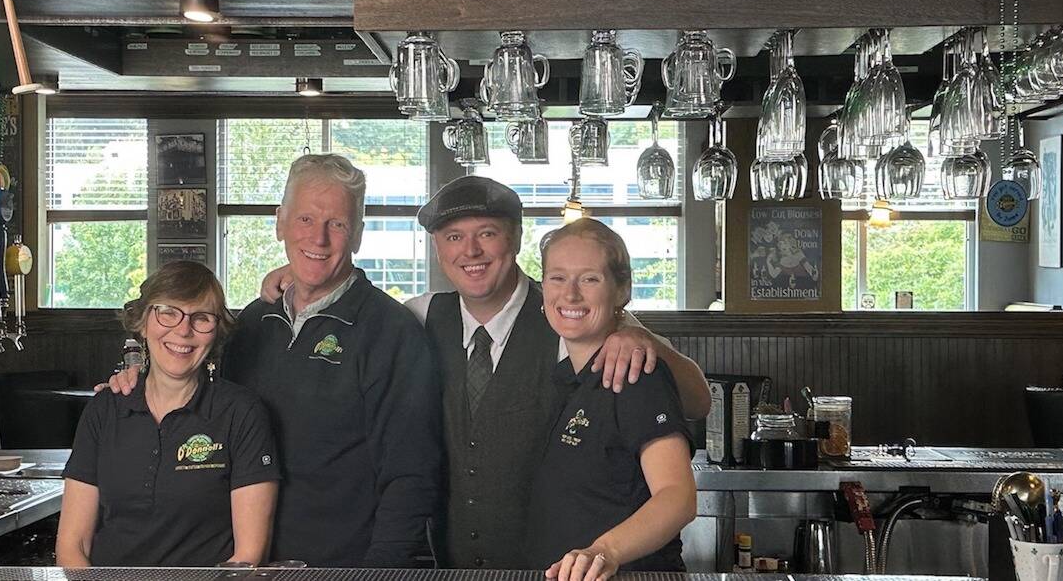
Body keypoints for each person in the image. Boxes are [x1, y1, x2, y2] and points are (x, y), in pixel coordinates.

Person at [260, 175, 709, 569]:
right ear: (437, 247)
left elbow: (696, 401)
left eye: (487, 234)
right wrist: (302, 272)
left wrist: (637, 335)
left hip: (557, 566)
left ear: (514, 239)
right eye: (453, 237)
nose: (470, 250)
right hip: (454, 565)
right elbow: (352, 300)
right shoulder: (417, 317)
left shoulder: (565, 317)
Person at [106, 154, 442, 568]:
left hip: (340, 568)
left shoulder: (391, 332)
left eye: (336, 224)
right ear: (280, 221)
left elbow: (411, 476)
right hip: (237, 563)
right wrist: (134, 383)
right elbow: (191, 397)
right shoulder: (251, 323)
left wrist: (377, 575)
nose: (318, 238)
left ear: (357, 234)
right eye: (304, 220)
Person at [58, 261, 280, 568]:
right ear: (143, 322)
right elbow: (73, 545)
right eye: (168, 312)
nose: (183, 330)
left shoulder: (241, 413)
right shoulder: (105, 409)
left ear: (215, 332)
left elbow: (247, 557)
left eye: (201, 317)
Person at [525, 219, 696, 581]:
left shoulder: (636, 373)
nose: (570, 294)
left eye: (590, 279)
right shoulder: (565, 377)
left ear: (621, 291)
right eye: (557, 278)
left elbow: (677, 496)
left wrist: (605, 550)